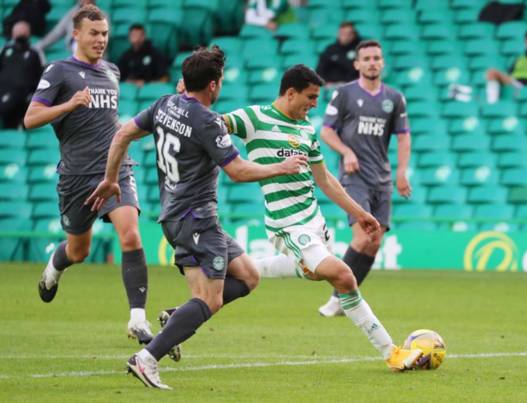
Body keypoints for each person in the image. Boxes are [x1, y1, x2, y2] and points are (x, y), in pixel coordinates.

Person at [85, 46, 309, 390]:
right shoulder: (207, 121)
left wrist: (111, 178)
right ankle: (146, 358)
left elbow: (122, 134)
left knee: (249, 276)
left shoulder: (164, 104)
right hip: (196, 219)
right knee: (210, 299)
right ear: (214, 85)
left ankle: (176, 318)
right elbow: (237, 170)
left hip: (177, 217)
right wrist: (281, 167)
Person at [222, 64, 422, 374]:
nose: (315, 104)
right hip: (287, 225)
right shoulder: (254, 118)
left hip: (314, 223)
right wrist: (185, 104)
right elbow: (210, 125)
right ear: (291, 93)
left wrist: (360, 213)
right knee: (344, 277)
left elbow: (325, 179)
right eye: (311, 97)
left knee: (315, 274)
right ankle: (392, 352)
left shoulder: (305, 129)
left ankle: (240, 269)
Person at [253, 41, 413, 319]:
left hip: (383, 179)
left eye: (376, 58)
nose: (372, 62)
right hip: (354, 176)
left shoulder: (395, 98)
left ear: (383, 62)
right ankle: (339, 297)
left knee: (375, 242)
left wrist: (401, 172)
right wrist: (346, 151)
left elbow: (403, 136)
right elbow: (327, 132)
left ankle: (342, 299)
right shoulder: (344, 94)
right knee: (362, 237)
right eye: (367, 58)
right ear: (357, 64)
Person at [24, 5, 154, 345]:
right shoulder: (59, 71)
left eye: (105, 34)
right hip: (76, 177)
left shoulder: (112, 71)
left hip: (115, 170)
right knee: (79, 251)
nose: (101, 39)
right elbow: (30, 118)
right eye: (94, 33)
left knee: (131, 235)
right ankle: (54, 267)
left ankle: (138, 319)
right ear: (76, 34)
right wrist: (68, 105)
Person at [0, 20, 44, 128]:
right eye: (18, 31)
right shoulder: (5, 50)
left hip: (23, 96)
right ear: (13, 34)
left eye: (23, 31)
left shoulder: (35, 52)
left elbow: (42, 76)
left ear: (29, 34)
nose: (20, 34)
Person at [316, 21, 361, 86]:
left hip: (351, 85)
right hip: (330, 85)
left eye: (349, 34)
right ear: (338, 34)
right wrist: (325, 83)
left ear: (354, 35)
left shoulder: (360, 50)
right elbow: (320, 70)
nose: (345, 37)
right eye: (342, 34)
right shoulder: (330, 49)